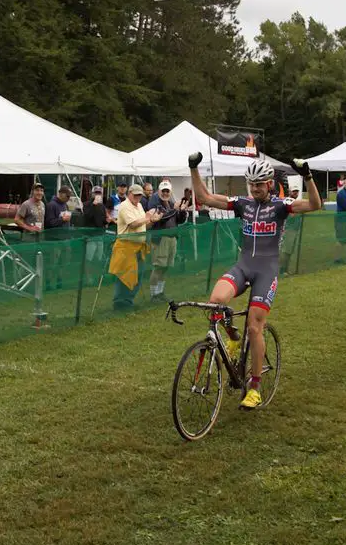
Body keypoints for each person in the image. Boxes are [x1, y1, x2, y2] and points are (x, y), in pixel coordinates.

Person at [189, 152, 322, 410]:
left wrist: (307, 176)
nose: (255, 188)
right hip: (243, 266)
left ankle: (255, 388)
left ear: (270, 183)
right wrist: (193, 168)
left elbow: (314, 204)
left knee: (255, 327)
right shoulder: (243, 204)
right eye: (252, 184)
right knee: (216, 301)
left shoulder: (282, 206)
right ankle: (233, 338)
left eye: (260, 184)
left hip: (266, 270)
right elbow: (205, 198)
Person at [109, 184, 162, 310]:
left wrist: (152, 221)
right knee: (124, 276)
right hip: (126, 246)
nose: (138, 197)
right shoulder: (124, 206)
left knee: (138, 275)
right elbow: (133, 224)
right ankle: (120, 303)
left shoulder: (139, 206)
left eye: (140, 195)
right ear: (129, 193)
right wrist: (147, 217)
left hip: (139, 247)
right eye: (135, 195)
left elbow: (143, 226)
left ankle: (129, 301)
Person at [147, 180, 180, 302]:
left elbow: (178, 220)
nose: (165, 193)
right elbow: (162, 218)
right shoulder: (155, 204)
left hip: (172, 238)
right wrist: (174, 210)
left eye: (167, 191)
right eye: (163, 191)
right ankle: (153, 295)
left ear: (170, 192)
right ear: (159, 192)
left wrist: (181, 211)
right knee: (158, 267)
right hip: (161, 240)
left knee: (165, 267)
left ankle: (160, 292)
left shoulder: (171, 204)